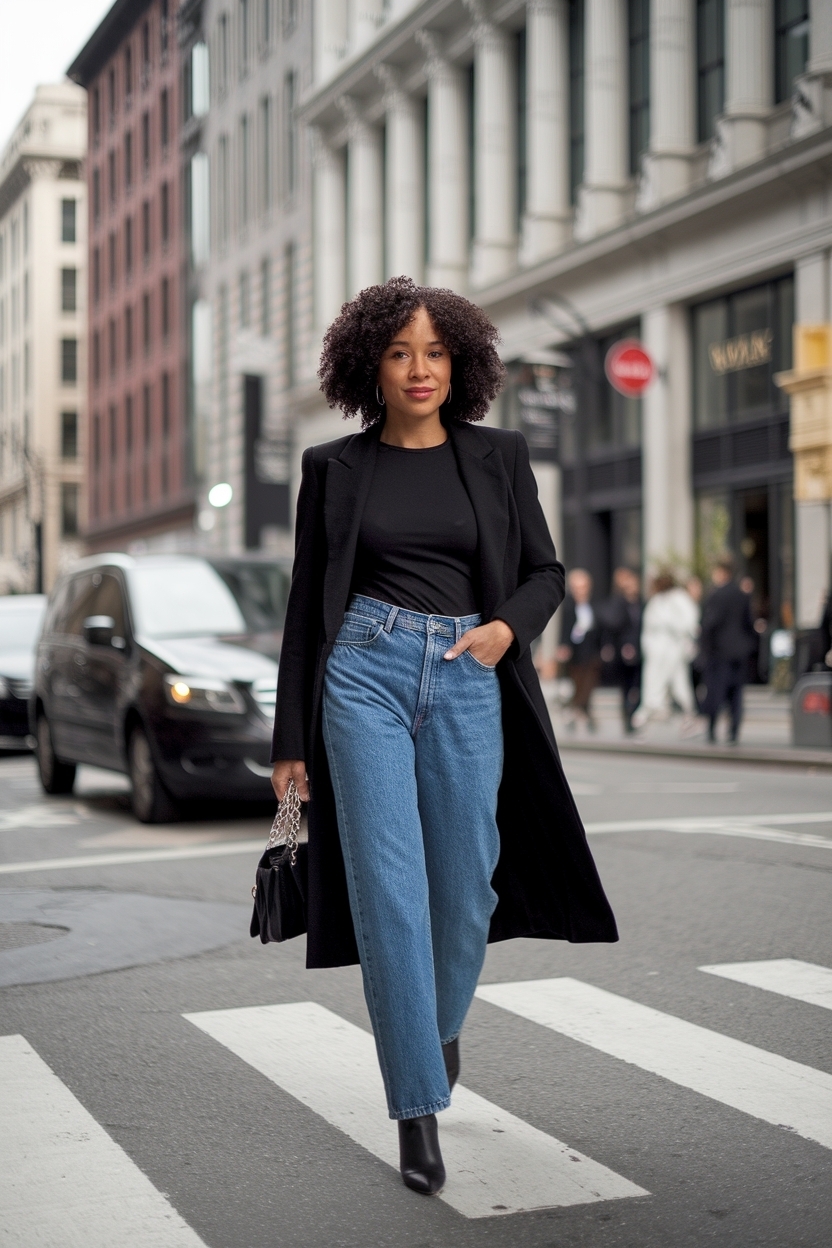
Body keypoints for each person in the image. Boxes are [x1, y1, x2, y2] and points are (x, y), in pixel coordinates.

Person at [269, 277, 617, 1198]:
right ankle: (416, 1109)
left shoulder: (498, 457)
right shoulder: (333, 468)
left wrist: (505, 629)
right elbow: (309, 603)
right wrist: (287, 738)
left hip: (468, 671)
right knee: (390, 891)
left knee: (466, 888)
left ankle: (437, 1022)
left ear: (458, 363)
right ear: (367, 366)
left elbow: (546, 570)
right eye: (398, 353)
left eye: (434, 352)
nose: (418, 369)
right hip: (364, 672)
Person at [631, 571, 699, 730]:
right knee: (652, 679)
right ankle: (651, 707)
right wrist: (647, 646)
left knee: (678, 681)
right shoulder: (655, 601)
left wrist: (674, 628)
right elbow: (648, 627)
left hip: (673, 648)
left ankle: (687, 711)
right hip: (656, 649)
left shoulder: (679, 598)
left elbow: (689, 621)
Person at [700, 557, 756, 743]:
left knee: (717, 690)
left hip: (720, 651)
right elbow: (749, 623)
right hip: (739, 651)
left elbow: (711, 624)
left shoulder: (717, 595)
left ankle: (712, 728)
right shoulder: (742, 595)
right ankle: (733, 730)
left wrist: (704, 647)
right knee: (736, 693)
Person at [556, 569, 601, 731]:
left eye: (583, 586)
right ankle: (578, 710)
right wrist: (562, 646)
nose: (580, 590)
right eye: (576, 587)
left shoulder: (593, 603)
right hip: (575, 650)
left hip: (591, 649)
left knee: (589, 680)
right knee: (576, 680)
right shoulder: (568, 606)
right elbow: (564, 627)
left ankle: (580, 710)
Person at [599, 567, 643, 733]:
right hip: (625, 650)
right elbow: (613, 626)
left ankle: (632, 713)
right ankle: (628, 716)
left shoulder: (640, 603)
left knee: (638, 685)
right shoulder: (618, 603)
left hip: (641, 650)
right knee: (627, 686)